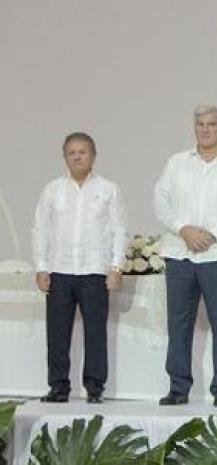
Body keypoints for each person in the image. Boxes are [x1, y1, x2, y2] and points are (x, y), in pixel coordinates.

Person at [153, 104, 217, 407]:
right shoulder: (176, 163)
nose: (206, 129)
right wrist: (183, 229)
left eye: (212, 124)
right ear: (194, 128)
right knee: (179, 324)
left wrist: (211, 233)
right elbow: (161, 201)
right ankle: (178, 387)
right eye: (200, 124)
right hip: (180, 253)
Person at [32, 132, 127, 403]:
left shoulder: (109, 190)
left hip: (94, 271)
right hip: (59, 271)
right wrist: (41, 267)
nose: (77, 156)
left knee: (96, 332)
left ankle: (95, 388)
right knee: (57, 333)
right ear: (65, 157)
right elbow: (40, 230)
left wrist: (116, 266)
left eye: (82, 151)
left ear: (93, 156)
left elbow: (119, 230)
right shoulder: (52, 190)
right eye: (71, 152)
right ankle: (59, 387)